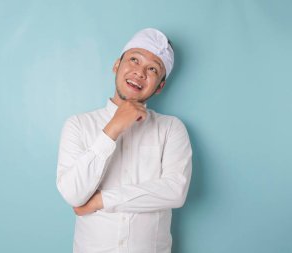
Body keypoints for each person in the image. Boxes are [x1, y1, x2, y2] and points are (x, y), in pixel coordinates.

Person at [56, 28, 192, 253]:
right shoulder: (78, 125)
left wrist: (103, 200)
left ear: (159, 86)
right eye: (134, 60)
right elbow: (73, 193)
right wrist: (112, 129)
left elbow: (175, 191)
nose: (140, 72)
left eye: (152, 69)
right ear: (116, 65)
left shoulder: (171, 128)